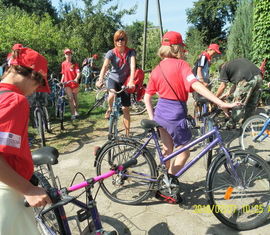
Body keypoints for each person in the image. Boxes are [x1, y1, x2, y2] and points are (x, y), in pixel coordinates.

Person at [144, 31, 240, 181]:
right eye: (182, 48)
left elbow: (147, 96)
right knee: (184, 153)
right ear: (177, 48)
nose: (183, 51)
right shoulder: (182, 65)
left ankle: (163, 180)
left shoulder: (156, 69)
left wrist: (152, 118)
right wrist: (220, 102)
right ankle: (168, 182)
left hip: (160, 113)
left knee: (168, 150)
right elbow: (194, 85)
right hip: (175, 114)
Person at [0, 46, 51, 234]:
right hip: (8, 193)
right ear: (34, 76)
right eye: (39, 85)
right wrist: (28, 189)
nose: (34, 92)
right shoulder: (15, 100)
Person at [96, 30, 136, 137]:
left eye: (122, 39)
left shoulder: (131, 52)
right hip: (113, 79)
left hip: (125, 81)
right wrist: (100, 79)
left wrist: (131, 80)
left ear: (125, 40)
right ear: (115, 41)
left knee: (125, 109)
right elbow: (105, 66)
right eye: (118, 39)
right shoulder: (111, 53)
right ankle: (109, 109)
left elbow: (132, 67)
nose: (120, 41)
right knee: (112, 95)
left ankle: (127, 135)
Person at [216, 58, 263, 128]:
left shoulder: (224, 68)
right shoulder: (236, 64)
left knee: (238, 104)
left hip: (247, 81)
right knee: (251, 104)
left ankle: (231, 124)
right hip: (259, 77)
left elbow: (223, 86)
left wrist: (215, 98)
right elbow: (236, 85)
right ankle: (247, 124)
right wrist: (227, 93)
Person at [192, 43, 221, 120]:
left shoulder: (207, 58)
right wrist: (202, 82)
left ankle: (203, 115)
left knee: (205, 98)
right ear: (209, 50)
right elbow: (199, 70)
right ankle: (198, 114)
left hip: (204, 79)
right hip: (198, 80)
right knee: (198, 100)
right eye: (214, 52)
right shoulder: (204, 56)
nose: (214, 55)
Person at [61, 48, 81, 120]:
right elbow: (63, 74)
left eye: (69, 54)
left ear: (71, 55)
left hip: (74, 83)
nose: (68, 55)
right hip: (67, 84)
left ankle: (76, 111)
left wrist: (76, 78)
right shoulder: (63, 64)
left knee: (75, 98)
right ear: (65, 55)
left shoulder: (74, 64)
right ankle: (73, 114)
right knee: (70, 99)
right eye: (67, 54)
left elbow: (78, 73)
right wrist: (61, 81)